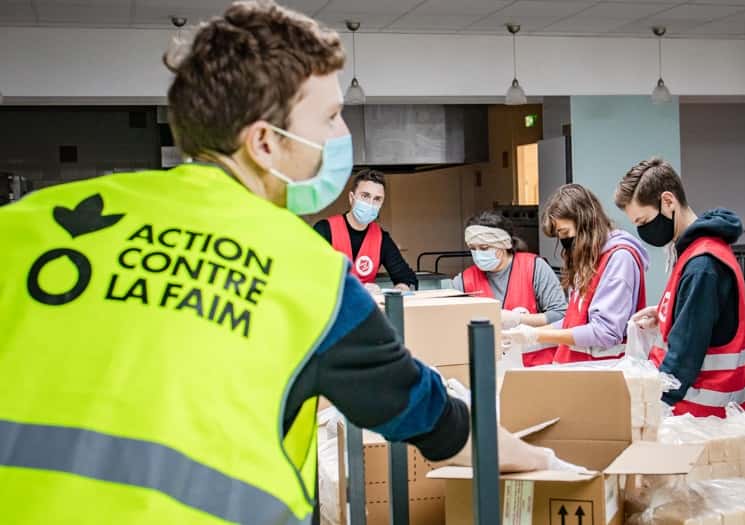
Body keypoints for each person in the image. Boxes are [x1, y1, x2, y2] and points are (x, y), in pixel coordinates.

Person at [0, 3, 553, 523]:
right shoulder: (302, 273)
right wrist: (542, 461)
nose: (341, 137)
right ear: (265, 142)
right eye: (330, 118)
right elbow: (434, 420)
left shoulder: (26, 225)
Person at [615, 157, 745, 418]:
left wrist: (652, 409)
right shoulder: (695, 252)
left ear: (668, 201)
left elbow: (685, 354)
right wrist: (666, 313)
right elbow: (704, 320)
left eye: (643, 221)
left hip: (700, 415)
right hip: (697, 410)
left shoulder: (702, 265)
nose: (642, 231)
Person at [501, 184, 649, 364]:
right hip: (582, 367)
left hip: (606, 368)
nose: (564, 241)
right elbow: (573, 322)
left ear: (585, 223)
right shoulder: (589, 260)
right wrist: (524, 338)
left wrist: (536, 335)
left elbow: (605, 332)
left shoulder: (619, 259)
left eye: (565, 233)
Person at [452, 211, 567, 367]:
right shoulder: (463, 282)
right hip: (488, 367)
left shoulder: (534, 267)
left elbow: (561, 315)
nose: (478, 254)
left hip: (537, 365)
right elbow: (453, 327)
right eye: (473, 248)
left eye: (484, 248)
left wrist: (519, 319)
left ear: (504, 244)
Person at [313, 169, 417, 292]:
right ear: (352, 198)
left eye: (377, 199)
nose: (370, 203)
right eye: (365, 196)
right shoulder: (325, 230)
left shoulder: (381, 238)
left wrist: (400, 289)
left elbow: (408, 279)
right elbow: (307, 276)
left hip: (365, 304)